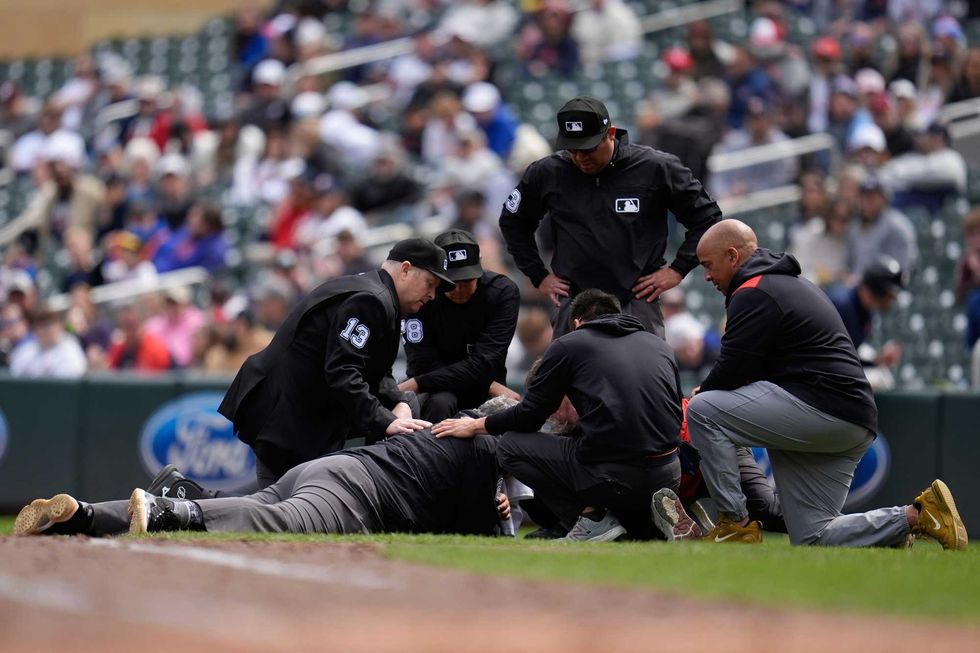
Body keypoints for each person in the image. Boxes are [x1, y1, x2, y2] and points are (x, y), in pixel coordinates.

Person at [683, 219, 967, 550]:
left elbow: (732, 369)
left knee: (703, 410)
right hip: (850, 419)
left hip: (821, 407)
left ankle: (734, 523)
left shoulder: (753, 289)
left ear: (732, 256)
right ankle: (917, 516)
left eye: (707, 265)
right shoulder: (785, 284)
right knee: (813, 536)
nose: (706, 276)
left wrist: (705, 390)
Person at [13, 398, 516, 538]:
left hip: (329, 469)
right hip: (356, 494)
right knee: (275, 523)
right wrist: (496, 509)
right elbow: (482, 533)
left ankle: (81, 514)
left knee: (254, 508)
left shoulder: (447, 427)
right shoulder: (483, 450)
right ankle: (176, 509)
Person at [433, 289, 683, 542]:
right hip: (670, 473)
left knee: (510, 445)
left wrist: (477, 425)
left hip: (615, 475)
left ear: (576, 322)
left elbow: (530, 415)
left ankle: (587, 521)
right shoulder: (660, 346)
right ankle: (645, 523)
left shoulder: (570, 343)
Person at [217, 238, 456, 488]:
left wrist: (396, 400)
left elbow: (374, 368)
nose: (432, 295)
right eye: (430, 283)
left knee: (288, 508)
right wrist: (386, 420)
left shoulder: (377, 291)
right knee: (282, 511)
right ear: (405, 269)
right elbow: (343, 372)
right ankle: (193, 504)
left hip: (295, 410)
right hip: (286, 415)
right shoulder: (372, 299)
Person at [499, 96, 721, 338]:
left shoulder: (655, 167)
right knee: (569, 375)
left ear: (611, 133)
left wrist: (678, 269)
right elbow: (513, 221)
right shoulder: (548, 172)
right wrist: (538, 274)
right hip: (575, 301)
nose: (580, 157)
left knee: (645, 372)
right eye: (573, 149)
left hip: (636, 299)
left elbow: (707, 217)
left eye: (588, 147)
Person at [399, 229, 520, 422]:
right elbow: (423, 363)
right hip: (435, 391)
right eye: (452, 281)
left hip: (484, 390)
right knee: (441, 402)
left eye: (467, 279)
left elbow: (484, 363)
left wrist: (418, 383)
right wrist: (489, 385)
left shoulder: (502, 293)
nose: (459, 288)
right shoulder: (420, 295)